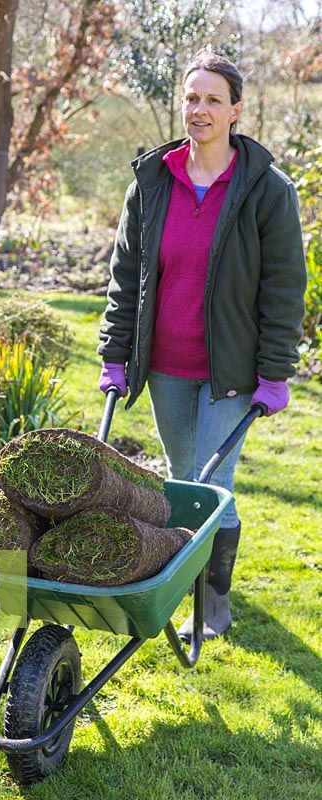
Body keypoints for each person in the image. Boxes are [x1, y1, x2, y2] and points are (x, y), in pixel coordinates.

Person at [97, 50, 306, 640]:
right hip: (164, 365)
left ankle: (212, 605)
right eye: (192, 97)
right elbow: (127, 276)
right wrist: (117, 354)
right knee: (178, 478)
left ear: (236, 111)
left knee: (213, 490)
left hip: (232, 371)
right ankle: (179, 585)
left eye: (214, 99)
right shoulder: (153, 181)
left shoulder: (265, 190)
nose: (200, 109)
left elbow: (285, 287)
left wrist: (275, 370)